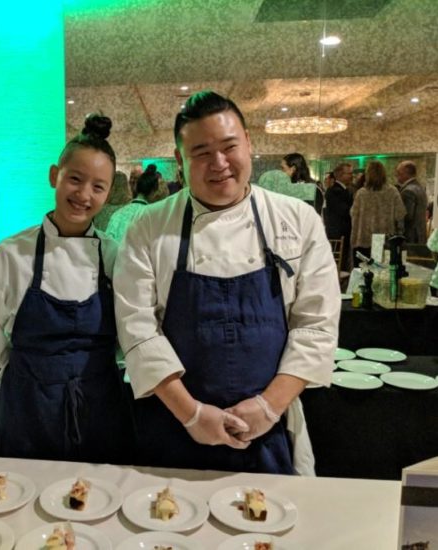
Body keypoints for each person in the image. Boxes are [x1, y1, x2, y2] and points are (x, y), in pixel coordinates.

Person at [113, 90, 339, 475]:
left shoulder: (297, 221)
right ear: (181, 162)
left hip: (267, 430)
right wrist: (193, 414)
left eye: (229, 146)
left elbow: (316, 325)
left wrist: (268, 407)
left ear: (249, 144)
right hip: (174, 425)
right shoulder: (149, 226)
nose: (218, 163)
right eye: (201, 152)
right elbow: (138, 330)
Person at [0, 113, 133, 464]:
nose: (84, 195)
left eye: (98, 187)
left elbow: (131, 331)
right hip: (29, 403)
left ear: (108, 192)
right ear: (54, 176)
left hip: (101, 400)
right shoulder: (12, 254)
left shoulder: (114, 255)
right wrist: (20, 373)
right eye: (75, 179)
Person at [350, 161, 405, 266]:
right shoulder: (392, 191)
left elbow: (353, 215)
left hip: (363, 239)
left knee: (363, 274)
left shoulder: (361, 193)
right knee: (383, 275)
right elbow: (400, 215)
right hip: (385, 240)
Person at [105, 163, 160, 242]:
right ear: (154, 192)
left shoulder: (118, 214)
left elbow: (107, 245)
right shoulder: (154, 218)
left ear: (135, 187)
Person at [324, 163, 354, 270]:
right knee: (339, 263)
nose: (352, 176)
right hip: (338, 233)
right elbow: (344, 211)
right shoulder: (335, 191)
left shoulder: (344, 190)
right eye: (349, 173)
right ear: (340, 175)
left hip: (341, 232)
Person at [396, 161, 428, 244]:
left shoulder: (407, 191)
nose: (397, 177)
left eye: (399, 173)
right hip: (420, 235)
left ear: (406, 174)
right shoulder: (420, 188)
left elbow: (407, 216)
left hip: (411, 237)